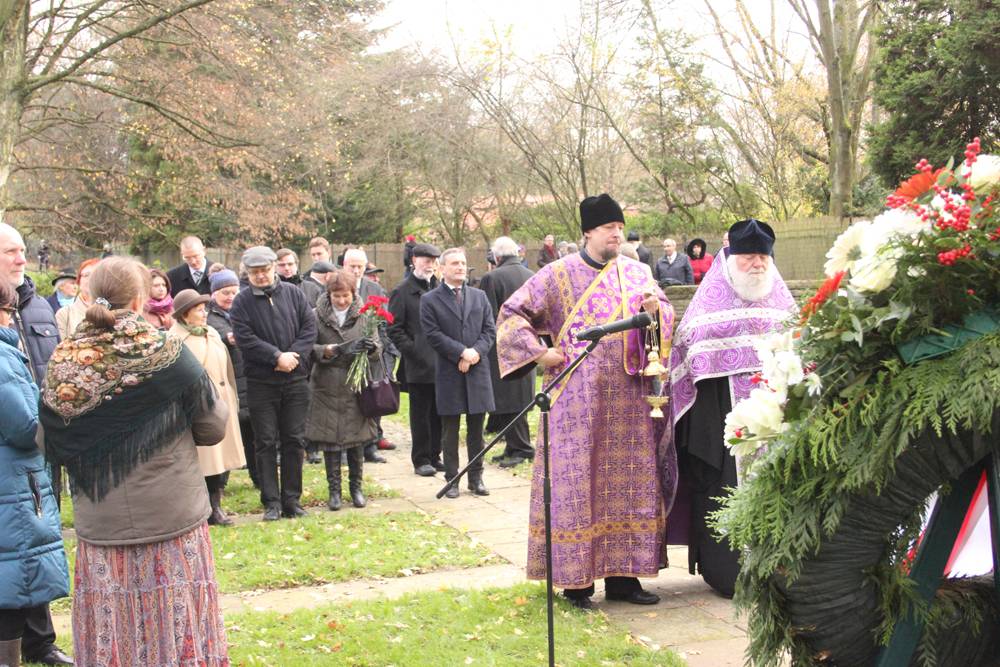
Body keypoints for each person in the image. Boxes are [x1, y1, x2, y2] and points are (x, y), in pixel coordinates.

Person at [41, 257, 230, 667]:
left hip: (101, 522)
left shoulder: (65, 361)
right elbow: (213, 427)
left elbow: (49, 437)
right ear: (142, 298)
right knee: (176, 628)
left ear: (88, 295)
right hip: (171, 520)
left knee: (115, 633)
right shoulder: (167, 352)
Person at [495, 193, 674, 609]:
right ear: (588, 232)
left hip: (629, 402)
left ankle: (624, 579)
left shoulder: (638, 271)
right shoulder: (557, 275)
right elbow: (512, 313)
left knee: (627, 486)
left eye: (619, 228)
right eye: (609, 228)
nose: (616, 234)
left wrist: (657, 310)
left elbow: (662, 314)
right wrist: (541, 353)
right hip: (576, 402)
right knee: (579, 485)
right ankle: (576, 583)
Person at [668, 219, 795, 598]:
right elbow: (689, 343)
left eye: (763, 257)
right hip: (722, 420)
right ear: (730, 259)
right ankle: (730, 574)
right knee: (725, 486)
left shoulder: (781, 299)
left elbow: (799, 340)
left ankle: (780, 568)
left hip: (778, 417)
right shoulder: (709, 301)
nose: (757, 265)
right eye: (749, 258)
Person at [0, 223, 72, 666]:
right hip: (22, 453)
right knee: (17, 556)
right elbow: (19, 417)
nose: (22, 259)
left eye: (24, 250)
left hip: (36, 459)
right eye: (11, 251)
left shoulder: (39, 308)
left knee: (34, 549)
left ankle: (40, 641)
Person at [230, 246, 316, 521]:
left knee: (294, 439)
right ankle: (271, 502)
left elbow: (309, 328)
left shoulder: (293, 294)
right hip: (261, 382)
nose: (261, 276)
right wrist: (276, 357)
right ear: (248, 273)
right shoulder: (241, 302)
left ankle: (292, 500)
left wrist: (294, 356)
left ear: (274, 268)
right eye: (255, 273)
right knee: (265, 441)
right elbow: (245, 338)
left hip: (295, 379)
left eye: (265, 271)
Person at [420, 247, 495, 499]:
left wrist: (474, 353)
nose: (460, 267)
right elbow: (433, 335)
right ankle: (452, 479)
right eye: (454, 263)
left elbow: (489, 331)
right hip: (449, 372)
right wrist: (461, 353)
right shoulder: (429, 300)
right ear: (442, 268)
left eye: (463, 263)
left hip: (477, 371)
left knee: (477, 431)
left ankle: (476, 477)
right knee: (449, 431)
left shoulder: (479, 297)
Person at [307, 270, 384, 510]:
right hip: (326, 384)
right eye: (336, 296)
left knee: (356, 441)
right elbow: (309, 347)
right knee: (330, 441)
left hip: (355, 385)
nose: (341, 300)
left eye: (345, 296)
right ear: (329, 294)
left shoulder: (365, 316)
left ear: (353, 294)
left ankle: (356, 488)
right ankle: (334, 492)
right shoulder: (315, 316)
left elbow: (378, 349)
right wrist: (328, 350)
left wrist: (370, 349)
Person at [171, 289, 247, 526]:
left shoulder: (212, 333)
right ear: (185, 315)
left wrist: (232, 397)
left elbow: (227, 368)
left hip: (222, 401)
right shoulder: (175, 340)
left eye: (204, 309)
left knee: (222, 458)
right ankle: (205, 508)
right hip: (198, 408)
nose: (204, 314)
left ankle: (217, 504)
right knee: (205, 460)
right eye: (199, 310)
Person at [388, 243, 445, 477]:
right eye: (425, 259)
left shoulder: (440, 287)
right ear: (414, 260)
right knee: (420, 413)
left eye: (433, 260)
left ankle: (435, 454)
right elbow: (394, 327)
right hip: (418, 364)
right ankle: (421, 458)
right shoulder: (402, 291)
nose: (429, 264)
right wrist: (413, 350)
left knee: (439, 412)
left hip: (441, 362)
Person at [478, 237, 536, 468]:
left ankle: (522, 448)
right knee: (517, 399)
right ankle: (513, 446)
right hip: (529, 346)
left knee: (507, 400)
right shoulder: (531, 275)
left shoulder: (492, 278)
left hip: (502, 348)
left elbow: (487, 315)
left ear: (496, 256)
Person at [343, 248, 399, 461]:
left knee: (373, 398)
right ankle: (346, 448)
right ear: (344, 266)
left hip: (373, 352)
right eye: (352, 266)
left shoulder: (374, 288)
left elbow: (384, 323)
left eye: (360, 267)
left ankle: (370, 446)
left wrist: (379, 347)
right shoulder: (338, 286)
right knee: (349, 401)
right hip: (348, 352)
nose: (356, 271)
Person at [206, 269, 258, 488]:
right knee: (225, 434)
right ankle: (220, 482)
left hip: (250, 380)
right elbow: (222, 334)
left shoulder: (248, 311)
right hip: (225, 383)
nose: (230, 297)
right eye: (224, 292)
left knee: (253, 436)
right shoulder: (210, 317)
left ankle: (259, 478)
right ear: (214, 294)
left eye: (234, 292)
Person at [55, 258, 98, 339]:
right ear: (79, 281)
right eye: (87, 275)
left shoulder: (115, 311)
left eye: (96, 274)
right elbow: (59, 349)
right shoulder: (64, 314)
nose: (91, 278)